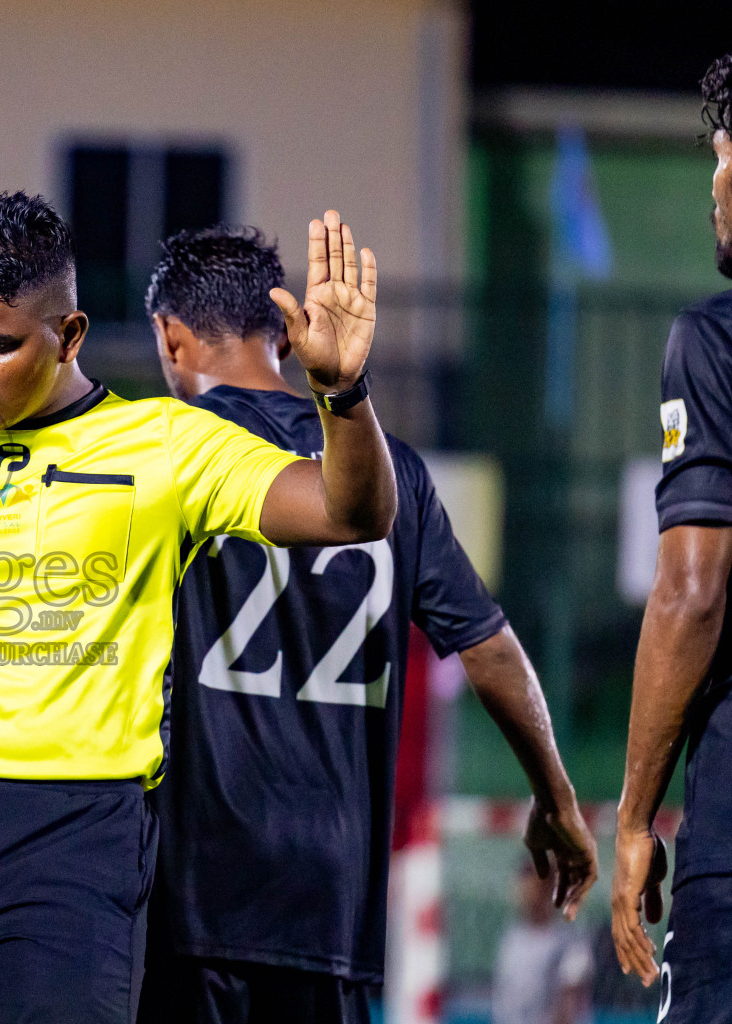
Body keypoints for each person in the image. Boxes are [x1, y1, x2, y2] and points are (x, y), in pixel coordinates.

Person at [0, 225, 598, 1024]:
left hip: (127, 863)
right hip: (302, 888)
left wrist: (347, 396)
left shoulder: (167, 447)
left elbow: (347, 515)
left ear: (92, 336)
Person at [138, 227, 595, 1024]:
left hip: (192, 898)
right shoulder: (394, 475)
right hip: (334, 902)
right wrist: (555, 796)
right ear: (284, 333)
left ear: (169, 338)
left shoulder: (160, 452)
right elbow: (489, 647)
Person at [612, 52, 732, 1022]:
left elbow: (692, 590)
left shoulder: (714, 338)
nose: (714, 191)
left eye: (722, 158)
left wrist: (634, 817)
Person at [492, 860, 593, 1024]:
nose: (526, 896)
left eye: (533, 889)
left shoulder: (570, 942)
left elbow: (568, 1006)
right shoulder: (511, 939)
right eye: (523, 889)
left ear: (548, 892)